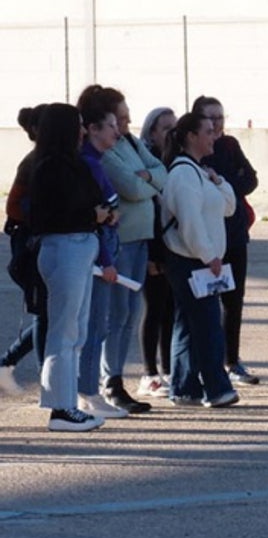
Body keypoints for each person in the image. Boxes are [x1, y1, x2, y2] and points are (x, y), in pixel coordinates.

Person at [28, 103, 114, 432]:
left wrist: (101, 213)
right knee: (63, 332)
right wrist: (94, 215)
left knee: (75, 330)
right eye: (77, 125)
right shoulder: (49, 166)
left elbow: (90, 197)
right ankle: (60, 409)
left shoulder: (72, 163)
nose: (82, 131)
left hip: (80, 247)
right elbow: (54, 214)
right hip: (64, 248)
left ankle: (69, 402)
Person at [159, 111, 239, 408]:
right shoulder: (182, 173)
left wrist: (218, 181)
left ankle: (184, 387)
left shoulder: (200, 171)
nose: (214, 135)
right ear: (191, 136)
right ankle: (216, 388)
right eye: (207, 130)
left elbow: (229, 207)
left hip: (201, 259)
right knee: (207, 325)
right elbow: (190, 221)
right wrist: (209, 256)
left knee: (189, 324)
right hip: (191, 260)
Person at [98, 95, 167, 413]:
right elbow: (131, 188)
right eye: (120, 119)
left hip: (142, 238)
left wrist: (149, 178)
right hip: (120, 241)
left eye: (126, 119)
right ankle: (108, 380)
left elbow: (159, 171)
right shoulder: (107, 151)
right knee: (115, 315)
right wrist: (149, 180)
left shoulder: (129, 143)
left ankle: (116, 377)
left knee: (129, 315)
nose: (125, 125)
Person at [191, 96, 259, 386]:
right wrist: (225, 185)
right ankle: (203, 363)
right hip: (207, 237)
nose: (218, 123)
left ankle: (232, 360)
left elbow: (251, 179)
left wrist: (224, 183)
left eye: (221, 117)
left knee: (234, 301)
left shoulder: (229, 145)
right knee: (205, 302)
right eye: (211, 118)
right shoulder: (196, 149)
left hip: (234, 235)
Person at [75, 85, 129, 421]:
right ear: (93, 128)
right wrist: (106, 262)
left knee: (99, 322)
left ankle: (89, 388)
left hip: (105, 244)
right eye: (111, 124)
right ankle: (87, 392)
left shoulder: (97, 161)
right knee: (93, 324)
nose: (117, 131)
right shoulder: (88, 163)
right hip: (97, 252)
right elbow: (99, 216)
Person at [1, 104, 47, 394]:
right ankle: (48, 381)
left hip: (43, 244)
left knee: (50, 314)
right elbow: (13, 206)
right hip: (34, 248)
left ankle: (6, 362)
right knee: (45, 314)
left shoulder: (48, 159)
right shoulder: (33, 162)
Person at [135, 106, 177, 399]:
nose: (171, 134)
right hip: (151, 242)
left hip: (173, 244)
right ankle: (149, 373)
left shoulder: (174, 159)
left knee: (170, 311)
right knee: (154, 308)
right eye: (166, 128)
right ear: (152, 131)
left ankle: (170, 370)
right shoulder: (145, 159)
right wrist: (151, 256)